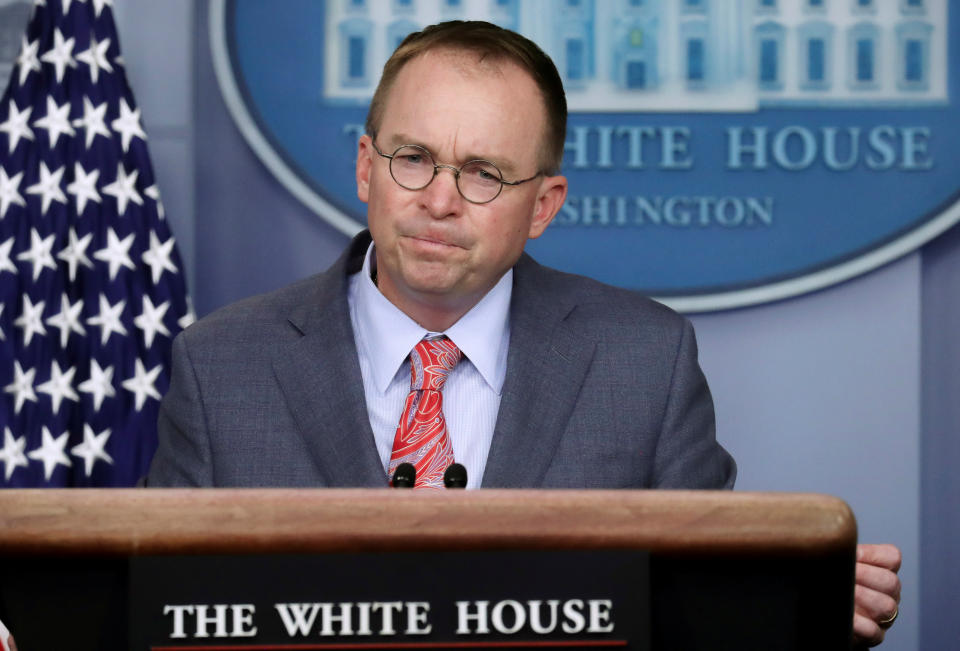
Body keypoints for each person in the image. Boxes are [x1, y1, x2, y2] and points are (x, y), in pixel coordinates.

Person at [146, 21, 900, 647]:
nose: (440, 200)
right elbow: (160, 620)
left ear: (543, 205)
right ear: (366, 168)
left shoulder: (642, 362)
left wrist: (795, 617)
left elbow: (701, 614)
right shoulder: (223, 366)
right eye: (413, 159)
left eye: (483, 174)